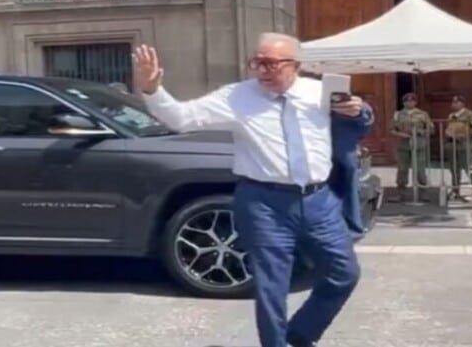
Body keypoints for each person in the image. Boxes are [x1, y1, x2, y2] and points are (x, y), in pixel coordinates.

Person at [133, 33, 373, 347]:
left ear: (295, 65)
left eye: (271, 63)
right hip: (264, 203)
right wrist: (153, 90)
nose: (262, 71)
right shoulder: (236, 97)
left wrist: (359, 110)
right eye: (257, 63)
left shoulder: (319, 93)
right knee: (272, 285)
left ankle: (300, 335)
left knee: (344, 273)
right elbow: (181, 118)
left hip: (318, 200)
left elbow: (357, 122)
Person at [390, 93, 434, 197]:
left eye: (412, 101)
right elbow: (391, 129)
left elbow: (431, 129)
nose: (409, 103)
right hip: (404, 144)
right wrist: (401, 134)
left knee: (419, 169)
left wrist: (420, 132)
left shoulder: (423, 114)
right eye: (407, 101)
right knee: (402, 169)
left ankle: (423, 191)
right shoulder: (398, 114)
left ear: (415, 102)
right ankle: (401, 191)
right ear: (403, 103)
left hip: (419, 143)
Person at [444, 95, 472, 202]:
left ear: (462, 103)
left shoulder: (470, 115)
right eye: (453, 102)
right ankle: (455, 190)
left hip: (465, 144)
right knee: (454, 169)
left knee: (470, 168)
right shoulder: (451, 116)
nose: (453, 104)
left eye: (456, 102)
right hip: (452, 144)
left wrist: (464, 136)